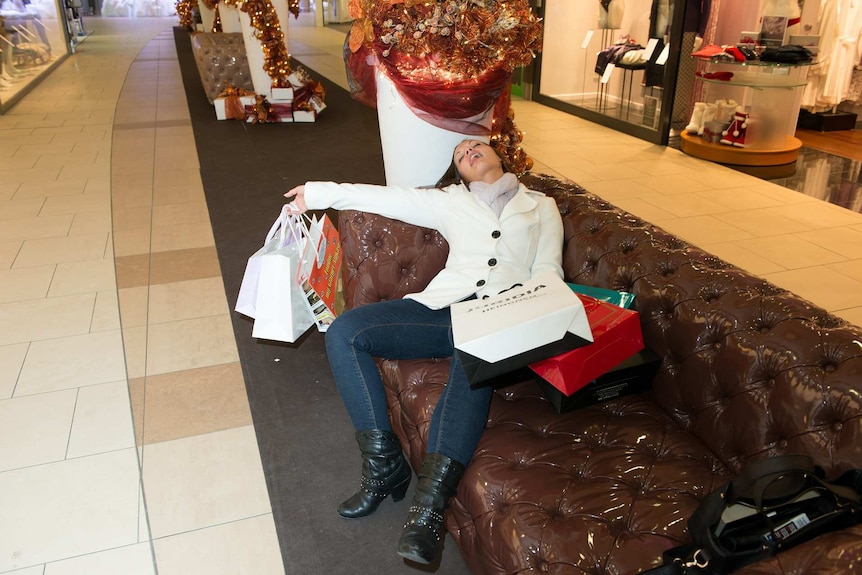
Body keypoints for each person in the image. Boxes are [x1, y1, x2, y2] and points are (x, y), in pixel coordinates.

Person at [283, 139, 564, 565]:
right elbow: (383, 196)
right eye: (459, 153)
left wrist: (538, 322)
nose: (468, 151)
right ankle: (384, 467)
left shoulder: (541, 206)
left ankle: (429, 511)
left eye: (476, 145)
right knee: (345, 332)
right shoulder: (451, 201)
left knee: (473, 356)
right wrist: (318, 192)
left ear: (499, 155)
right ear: (458, 173)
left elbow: (548, 273)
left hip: (500, 320)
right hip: (440, 312)